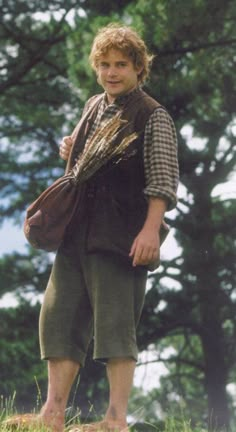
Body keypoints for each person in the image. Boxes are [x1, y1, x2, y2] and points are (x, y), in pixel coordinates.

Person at [5, 23, 178, 432]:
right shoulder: (93, 105)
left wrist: (150, 231)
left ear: (139, 68)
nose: (111, 72)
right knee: (58, 319)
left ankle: (115, 420)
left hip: (121, 236)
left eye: (121, 64)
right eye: (104, 64)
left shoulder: (153, 115)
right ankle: (52, 414)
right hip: (76, 231)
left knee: (116, 326)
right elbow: (89, 161)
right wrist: (72, 145)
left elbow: (163, 180)